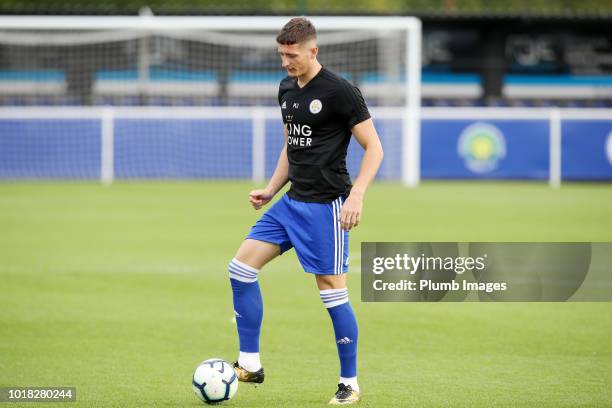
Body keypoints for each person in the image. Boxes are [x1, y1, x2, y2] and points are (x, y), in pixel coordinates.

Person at [229, 16, 383, 405]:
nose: (286, 62)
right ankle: (249, 364)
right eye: (281, 54)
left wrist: (358, 195)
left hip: (325, 207)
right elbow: (290, 147)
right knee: (241, 268)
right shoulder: (285, 89)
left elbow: (375, 149)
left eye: (292, 55)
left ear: (313, 50)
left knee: (332, 292)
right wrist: (270, 188)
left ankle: (350, 383)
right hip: (291, 203)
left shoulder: (340, 92)